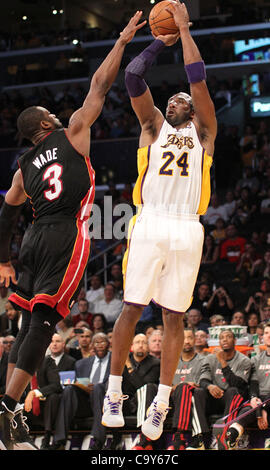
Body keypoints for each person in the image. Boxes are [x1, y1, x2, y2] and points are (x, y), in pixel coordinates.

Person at [0, 11, 146, 451]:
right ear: (45, 125)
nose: (58, 115)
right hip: (66, 234)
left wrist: (3, 258)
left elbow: (6, 215)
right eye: (50, 113)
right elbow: (99, 85)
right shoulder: (74, 132)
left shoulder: (23, 168)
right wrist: (120, 42)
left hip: (32, 238)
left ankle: (8, 414)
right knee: (43, 325)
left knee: (28, 325)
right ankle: (7, 408)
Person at [102, 1, 217, 442]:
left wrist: (185, 31)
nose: (176, 100)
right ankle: (114, 393)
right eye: (171, 99)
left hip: (188, 225)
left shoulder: (205, 132)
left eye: (182, 99)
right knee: (131, 306)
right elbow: (132, 77)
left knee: (174, 317)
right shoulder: (151, 126)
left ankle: (163, 401)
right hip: (150, 221)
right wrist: (158, 41)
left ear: (192, 110)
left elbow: (197, 78)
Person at [50, 332, 111, 450]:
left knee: (98, 388)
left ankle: (98, 440)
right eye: (96, 342)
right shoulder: (81, 364)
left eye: (102, 341)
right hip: (84, 404)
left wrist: (98, 387)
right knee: (69, 389)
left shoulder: (115, 361)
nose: (99, 345)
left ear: (108, 344)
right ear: (92, 346)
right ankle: (59, 440)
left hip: (104, 402)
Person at [219, 322, 270, 450]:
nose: (269, 336)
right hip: (260, 399)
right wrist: (253, 398)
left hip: (267, 401)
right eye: (266, 333)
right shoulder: (256, 359)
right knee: (245, 411)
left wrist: (262, 410)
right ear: (262, 337)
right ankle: (231, 436)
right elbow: (253, 384)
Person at [199, 330, 252, 450]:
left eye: (228, 337)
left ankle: (224, 433)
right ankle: (199, 437)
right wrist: (210, 386)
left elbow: (238, 385)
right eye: (222, 337)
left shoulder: (244, 361)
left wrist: (222, 361)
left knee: (232, 391)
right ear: (219, 342)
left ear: (235, 341)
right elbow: (202, 381)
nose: (224, 339)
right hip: (214, 398)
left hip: (233, 400)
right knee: (198, 392)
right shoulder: (210, 359)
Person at [168, 328, 210, 450]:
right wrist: (182, 385)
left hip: (197, 399)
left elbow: (202, 383)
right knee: (183, 387)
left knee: (194, 392)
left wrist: (181, 386)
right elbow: (165, 386)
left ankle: (179, 435)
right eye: (183, 338)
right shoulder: (171, 361)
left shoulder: (204, 360)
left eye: (190, 338)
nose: (186, 341)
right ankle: (197, 437)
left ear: (195, 340)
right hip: (174, 401)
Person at [23, 355, 63, 450]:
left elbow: (56, 385)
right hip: (25, 404)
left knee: (53, 397)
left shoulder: (47, 361)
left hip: (44, 402)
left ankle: (47, 435)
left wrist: (34, 393)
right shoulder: (19, 364)